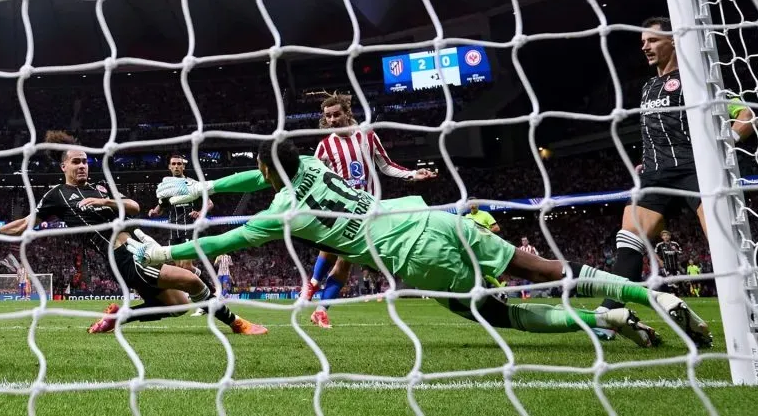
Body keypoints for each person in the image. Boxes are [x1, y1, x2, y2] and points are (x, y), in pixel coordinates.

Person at [134, 139, 713, 348]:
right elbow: (258, 173)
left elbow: (229, 233)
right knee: (540, 265)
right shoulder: (308, 162)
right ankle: (640, 297)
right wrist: (208, 183)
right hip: (432, 218)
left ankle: (597, 324)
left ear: (269, 172)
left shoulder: (282, 213)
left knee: (499, 316)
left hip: (414, 257)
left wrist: (165, 253)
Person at [595, 17, 758, 339]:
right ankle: (609, 314)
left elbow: (745, 116)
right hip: (657, 175)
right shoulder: (647, 88)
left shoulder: (697, 79)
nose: (645, 46)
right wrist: (646, 161)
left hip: (697, 170)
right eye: (643, 42)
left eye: (652, 40)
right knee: (629, 237)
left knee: (729, 244)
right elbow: (656, 130)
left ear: (672, 41)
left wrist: (728, 143)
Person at [0, 131, 265, 336]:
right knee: (192, 282)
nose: (82, 166)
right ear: (63, 167)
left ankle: (119, 317)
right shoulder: (56, 195)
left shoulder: (100, 188)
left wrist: (105, 202)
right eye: (76, 162)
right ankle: (237, 324)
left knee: (179, 305)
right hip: (122, 257)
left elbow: (133, 206)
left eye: (86, 162)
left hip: (135, 250)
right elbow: (25, 223)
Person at [306, 92, 437, 328]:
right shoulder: (325, 146)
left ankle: (320, 308)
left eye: (336, 114)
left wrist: (412, 174)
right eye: (328, 117)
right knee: (331, 248)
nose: (333, 120)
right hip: (339, 207)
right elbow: (313, 176)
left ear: (347, 113)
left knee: (345, 262)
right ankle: (313, 286)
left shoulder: (367, 136)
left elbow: (386, 166)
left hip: (366, 206)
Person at [148, 153, 217, 316]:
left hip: (188, 227)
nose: (177, 166)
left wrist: (200, 212)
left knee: (186, 266)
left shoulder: (191, 184)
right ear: (169, 167)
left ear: (184, 166)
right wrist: (154, 212)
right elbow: (161, 205)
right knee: (179, 268)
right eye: (174, 164)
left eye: (180, 163)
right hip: (174, 229)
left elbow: (209, 203)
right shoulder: (167, 187)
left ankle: (209, 298)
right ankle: (209, 297)